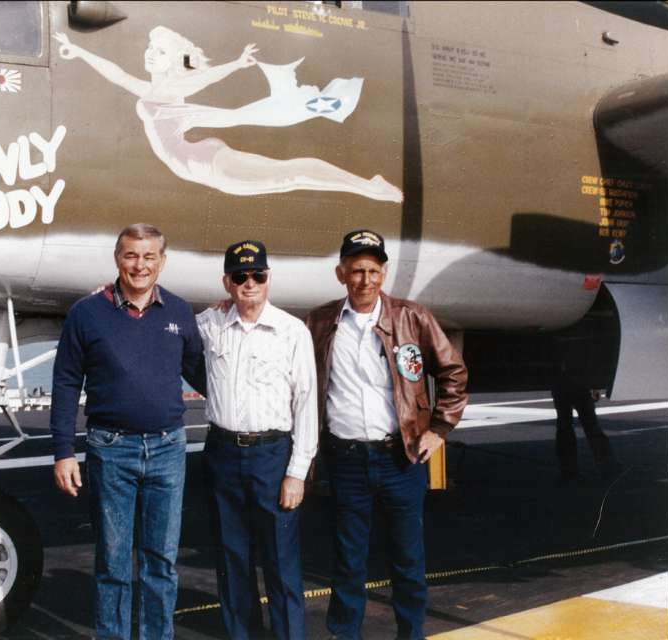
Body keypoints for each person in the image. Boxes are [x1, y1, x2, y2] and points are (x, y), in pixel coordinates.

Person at [306, 230, 468, 640]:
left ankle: (411, 635)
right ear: (341, 273)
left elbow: (453, 372)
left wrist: (439, 428)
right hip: (346, 460)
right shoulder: (320, 322)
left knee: (408, 561)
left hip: (400, 459)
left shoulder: (412, 317)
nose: (365, 280)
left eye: (373, 271)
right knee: (348, 561)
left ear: (384, 273)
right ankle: (346, 635)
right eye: (357, 271)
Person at [50, 224, 206, 640]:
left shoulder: (179, 311)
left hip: (168, 449)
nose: (140, 265)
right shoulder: (86, 313)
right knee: (113, 563)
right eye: (131, 256)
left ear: (162, 262)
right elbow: (66, 382)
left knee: (161, 562)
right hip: (110, 449)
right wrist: (63, 451)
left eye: (149, 256)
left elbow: (202, 372)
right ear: (117, 259)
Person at [52, 28, 402, 202]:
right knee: (288, 176)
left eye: (160, 51)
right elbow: (116, 73)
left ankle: (370, 187)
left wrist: (235, 64)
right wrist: (79, 50)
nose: (150, 54)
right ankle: (368, 186)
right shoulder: (150, 90)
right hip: (200, 166)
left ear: (174, 62)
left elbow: (203, 78)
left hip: (207, 164)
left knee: (288, 175)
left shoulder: (172, 90)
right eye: (149, 47)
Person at [197, 240, 318, 640]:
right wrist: (111, 292)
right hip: (223, 454)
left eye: (257, 275)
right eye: (240, 276)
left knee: (281, 560)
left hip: (272, 456)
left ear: (268, 279)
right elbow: (165, 325)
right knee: (231, 558)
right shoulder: (209, 324)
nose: (249, 283)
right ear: (227, 283)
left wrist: (297, 473)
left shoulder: (291, 331)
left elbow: (306, 404)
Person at [551, 384, 620, 482]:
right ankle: (608, 466)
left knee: (565, 427)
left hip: (561, 386)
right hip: (580, 386)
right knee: (591, 426)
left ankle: (568, 471)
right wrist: (595, 387)